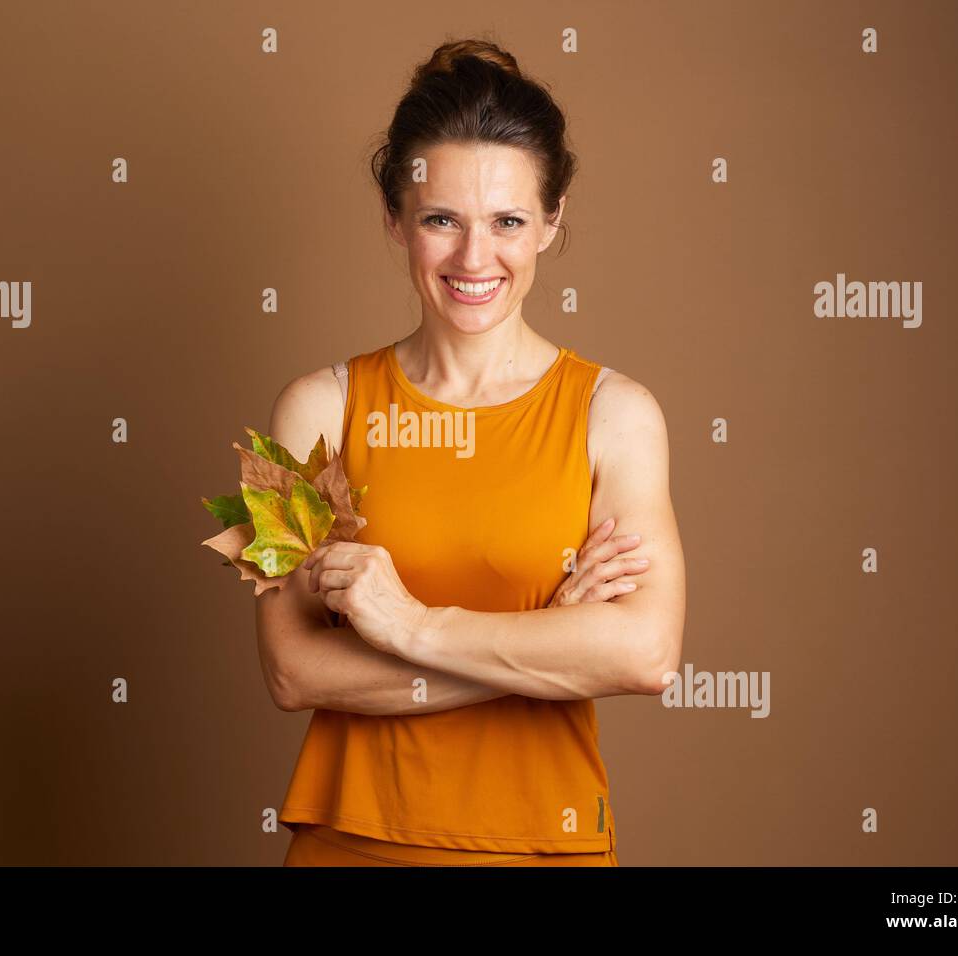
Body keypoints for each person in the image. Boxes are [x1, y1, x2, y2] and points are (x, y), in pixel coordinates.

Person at [255, 38, 686, 866]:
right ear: (395, 219)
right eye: (441, 220)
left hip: (545, 846)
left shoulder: (616, 415)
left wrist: (410, 625)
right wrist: (551, 640)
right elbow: (294, 671)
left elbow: (646, 653)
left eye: (509, 222)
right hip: (353, 845)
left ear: (552, 221)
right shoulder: (314, 411)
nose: (473, 258)